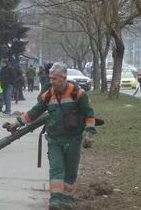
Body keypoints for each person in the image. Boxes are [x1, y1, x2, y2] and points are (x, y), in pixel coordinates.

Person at [5, 63, 97, 209]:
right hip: (54, 140)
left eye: (54, 78)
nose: (51, 81)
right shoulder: (48, 95)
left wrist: (90, 133)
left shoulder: (78, 94)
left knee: (71, 171)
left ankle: (67, 200)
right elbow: (34, 112)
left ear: (63, 78)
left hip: (73, 140)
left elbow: (89, 114)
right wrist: (17, 123)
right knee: (56, 168)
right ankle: (55, 200)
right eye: (50, 78)